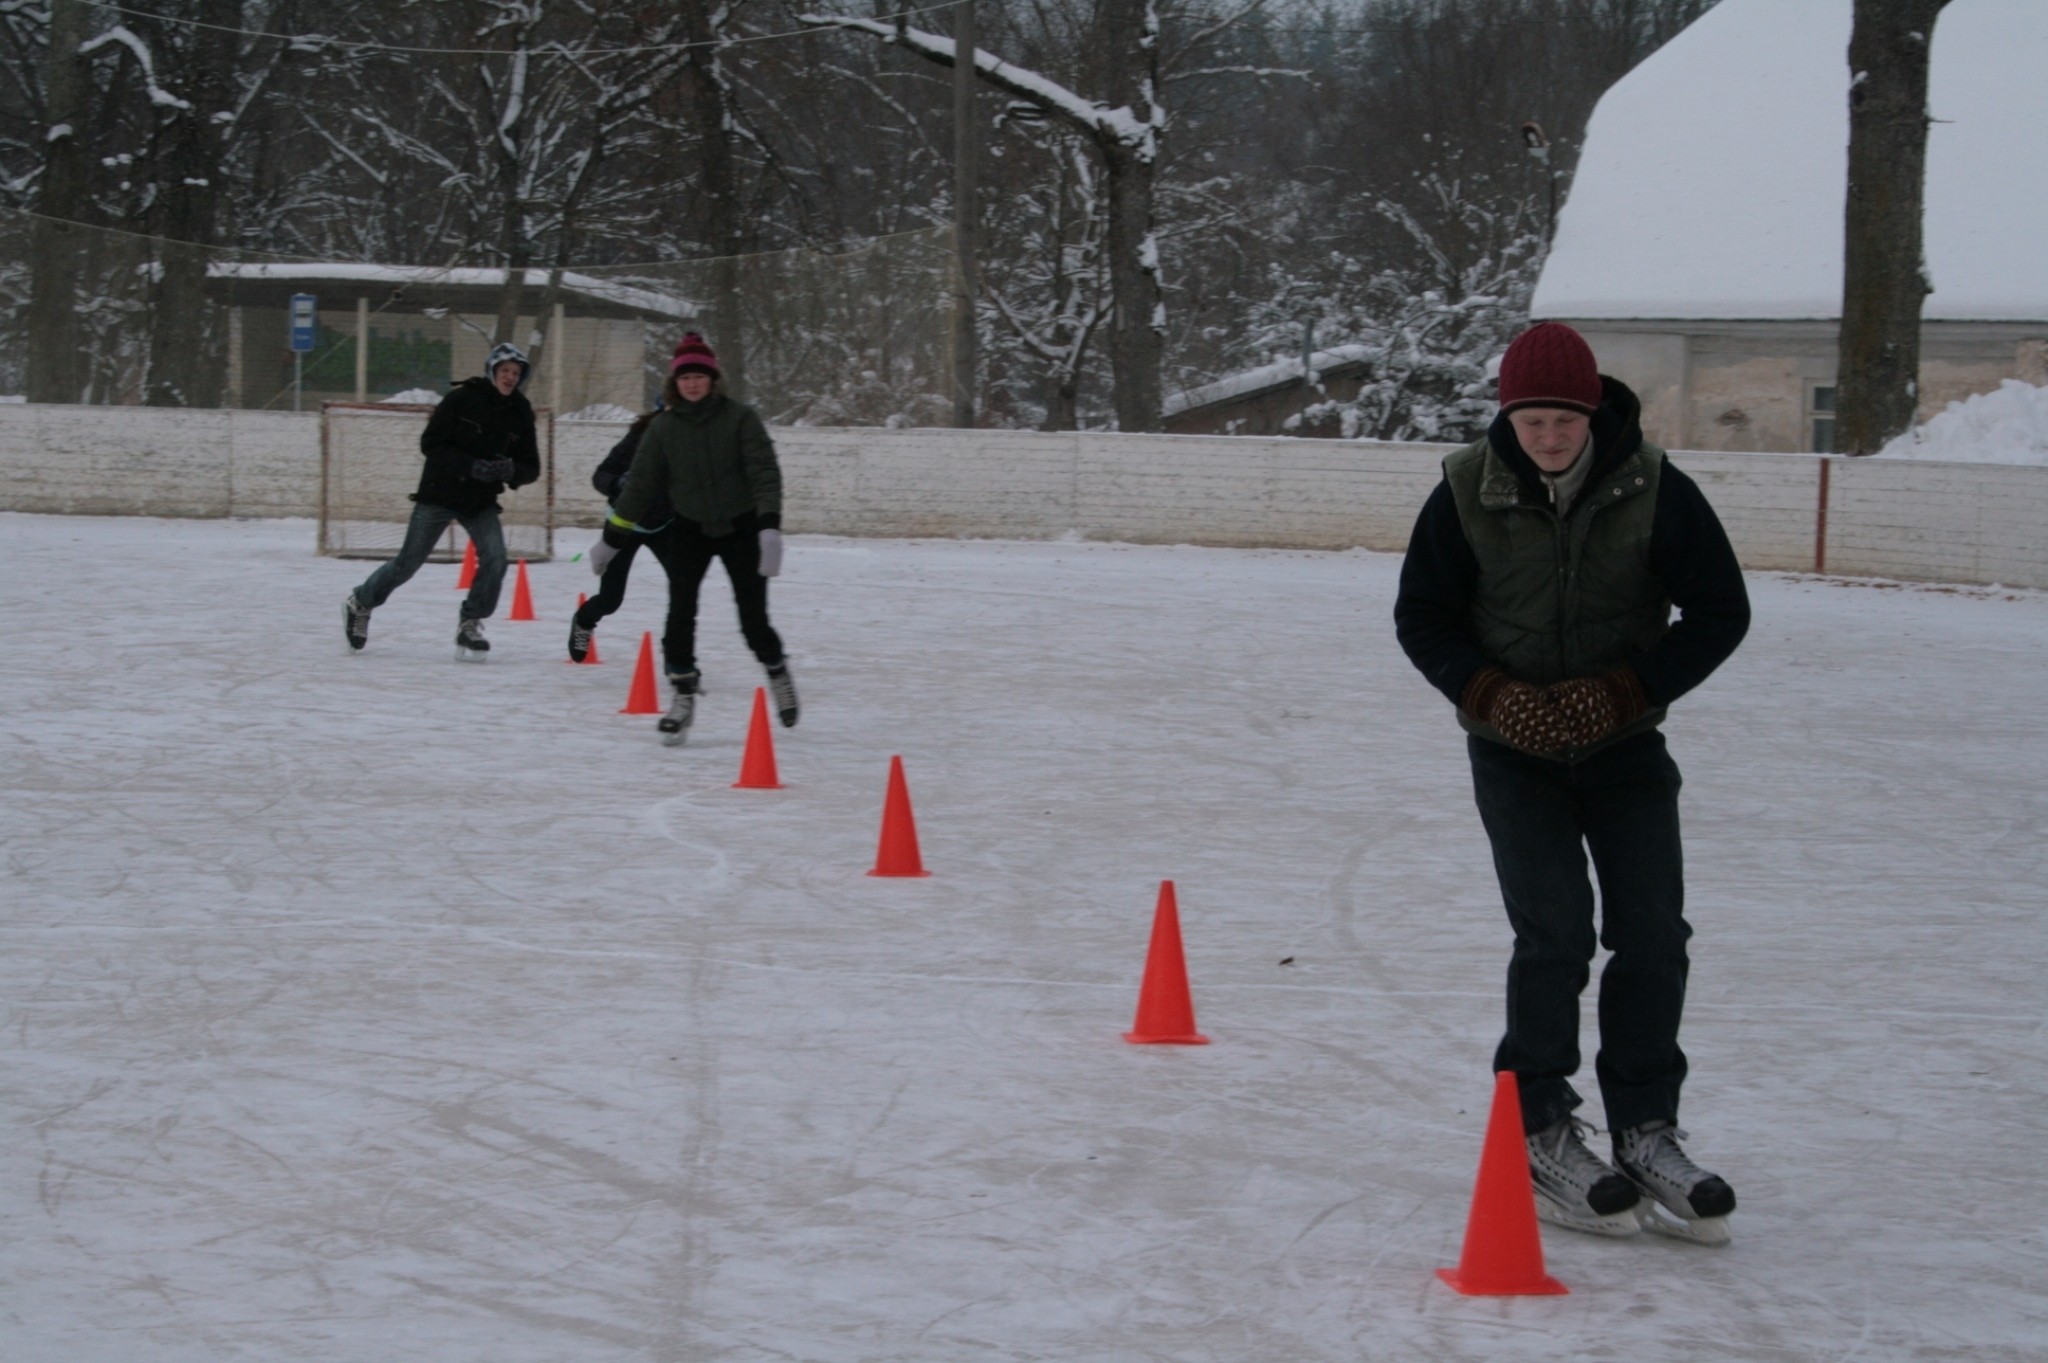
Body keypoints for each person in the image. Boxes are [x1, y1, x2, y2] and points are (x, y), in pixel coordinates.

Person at [1393, 321, 1752, 1243]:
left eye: (1563, 420)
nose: (1548, 436)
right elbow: (1422, 617)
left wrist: (1626, 691)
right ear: (1506, 417)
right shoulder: (1465, 491)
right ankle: (1540, 1127)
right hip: (1513, 754)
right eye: (1531, 420)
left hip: (1625, 747)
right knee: (1553, 933)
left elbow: (1720, 609)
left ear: (1593, 414)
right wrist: (1493, 696)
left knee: (1652, 932)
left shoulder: (1654, 487)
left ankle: (1645, 1129)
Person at [590, 333, 797, 745]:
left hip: (740, 527)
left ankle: (777, 672)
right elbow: (640, 487)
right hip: (688, 527)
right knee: (680, 612)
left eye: (700, 375)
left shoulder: (741, 419)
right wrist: (612, 539)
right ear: (675, 382)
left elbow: (764, 472)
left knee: (752, 619)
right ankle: (683, 694)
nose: (693, 383)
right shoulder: (663, 429)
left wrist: (769, 527)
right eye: (686, 377)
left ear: (713, 379)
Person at [343, 342, 540, 658]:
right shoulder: (461, 400)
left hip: (480, 501)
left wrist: (510, 469)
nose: (510, 377)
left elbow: (532, 467)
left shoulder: (520, 412)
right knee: (408, 563)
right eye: (505, 370)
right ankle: (361, 601)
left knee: (496, 558)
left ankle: (470, 622)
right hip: (440, 492)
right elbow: (431, 444)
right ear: (492, 371)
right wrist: (470, 465)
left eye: (516, 373)